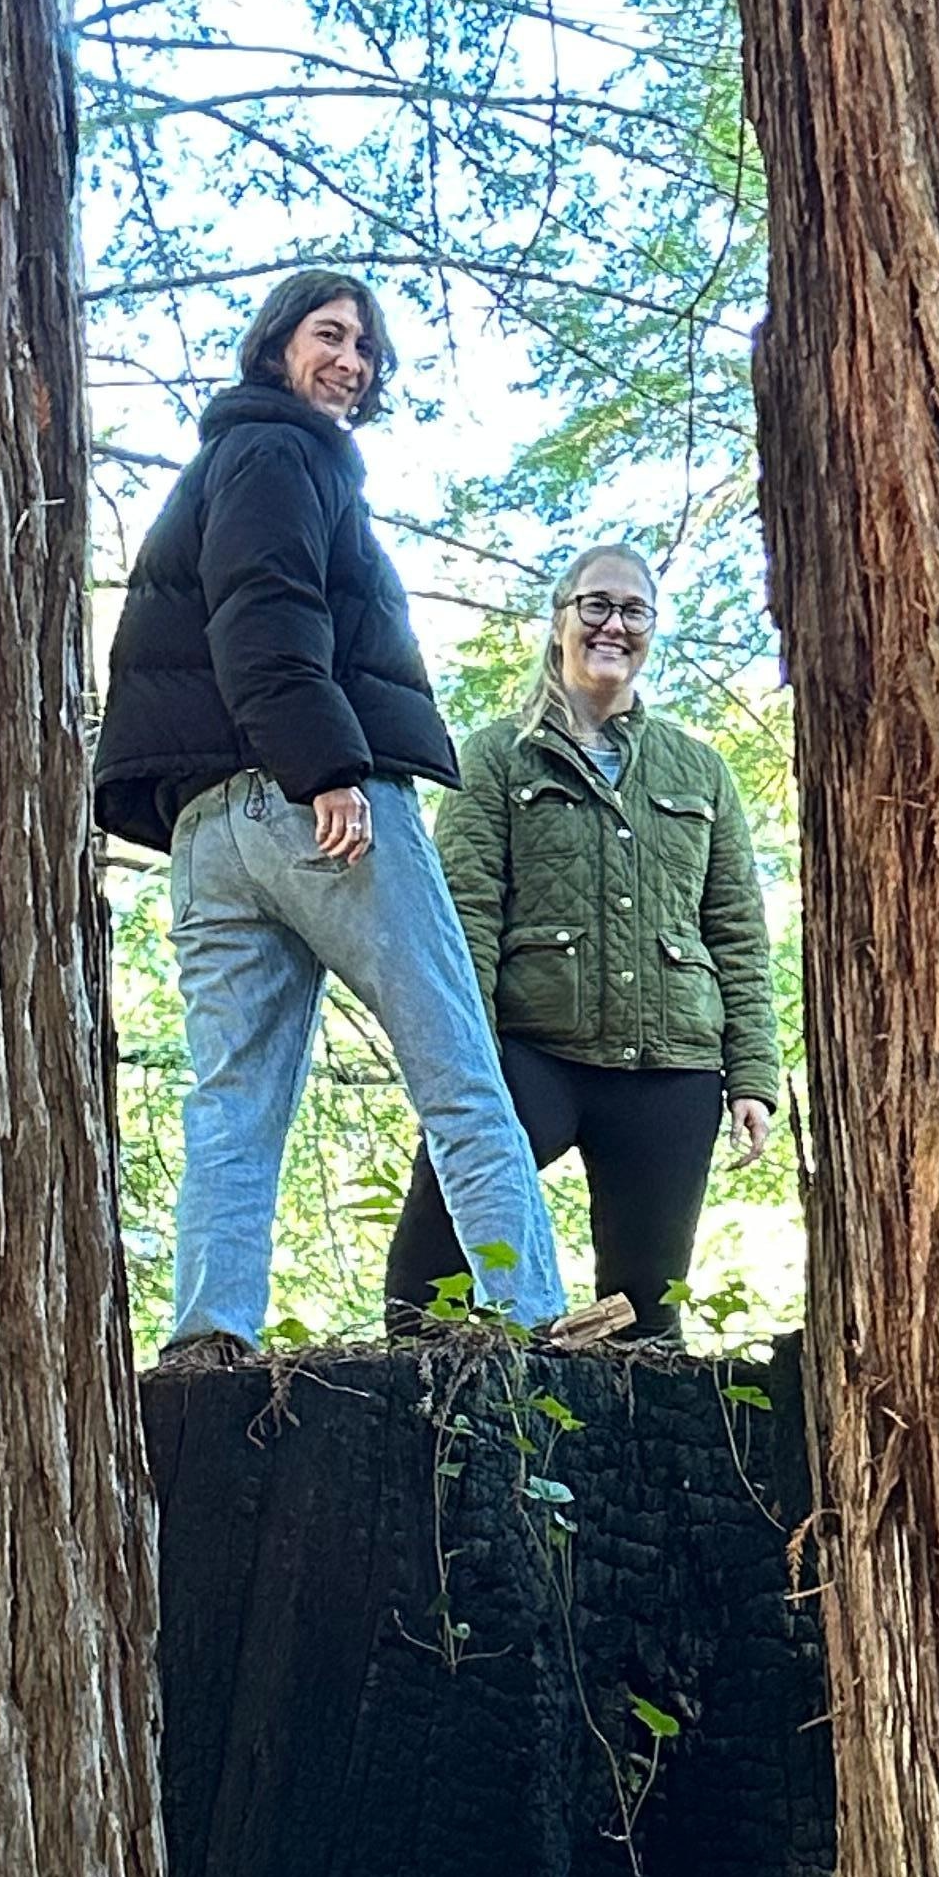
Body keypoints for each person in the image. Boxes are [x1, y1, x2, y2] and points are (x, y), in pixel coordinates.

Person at [94, 267, 587, 1362]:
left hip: (211, 830)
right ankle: (528, 1311)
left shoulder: (227, 462)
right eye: (330, 336)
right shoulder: (280, 452)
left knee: (234, 1096)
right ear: (276, 347)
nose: (351, 364)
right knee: (458, 1064)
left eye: (366, 350)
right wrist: (326, 771)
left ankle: (209, 1334)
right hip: (307, 802)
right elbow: (264, 613)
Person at [384, 542, 780, 1345]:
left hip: (671, 1069)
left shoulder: (699, 771)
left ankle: (626, 1464)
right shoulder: (497, 756)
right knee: (429, 1280)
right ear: (560, 620)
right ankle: (435, 1434)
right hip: (533, 1056)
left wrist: (754, 1076)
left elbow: (737, 929)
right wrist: (463, 1061)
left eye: (634, 611)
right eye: (595, 605)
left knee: (646, 1316)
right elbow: (468, 917)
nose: (614, 626)